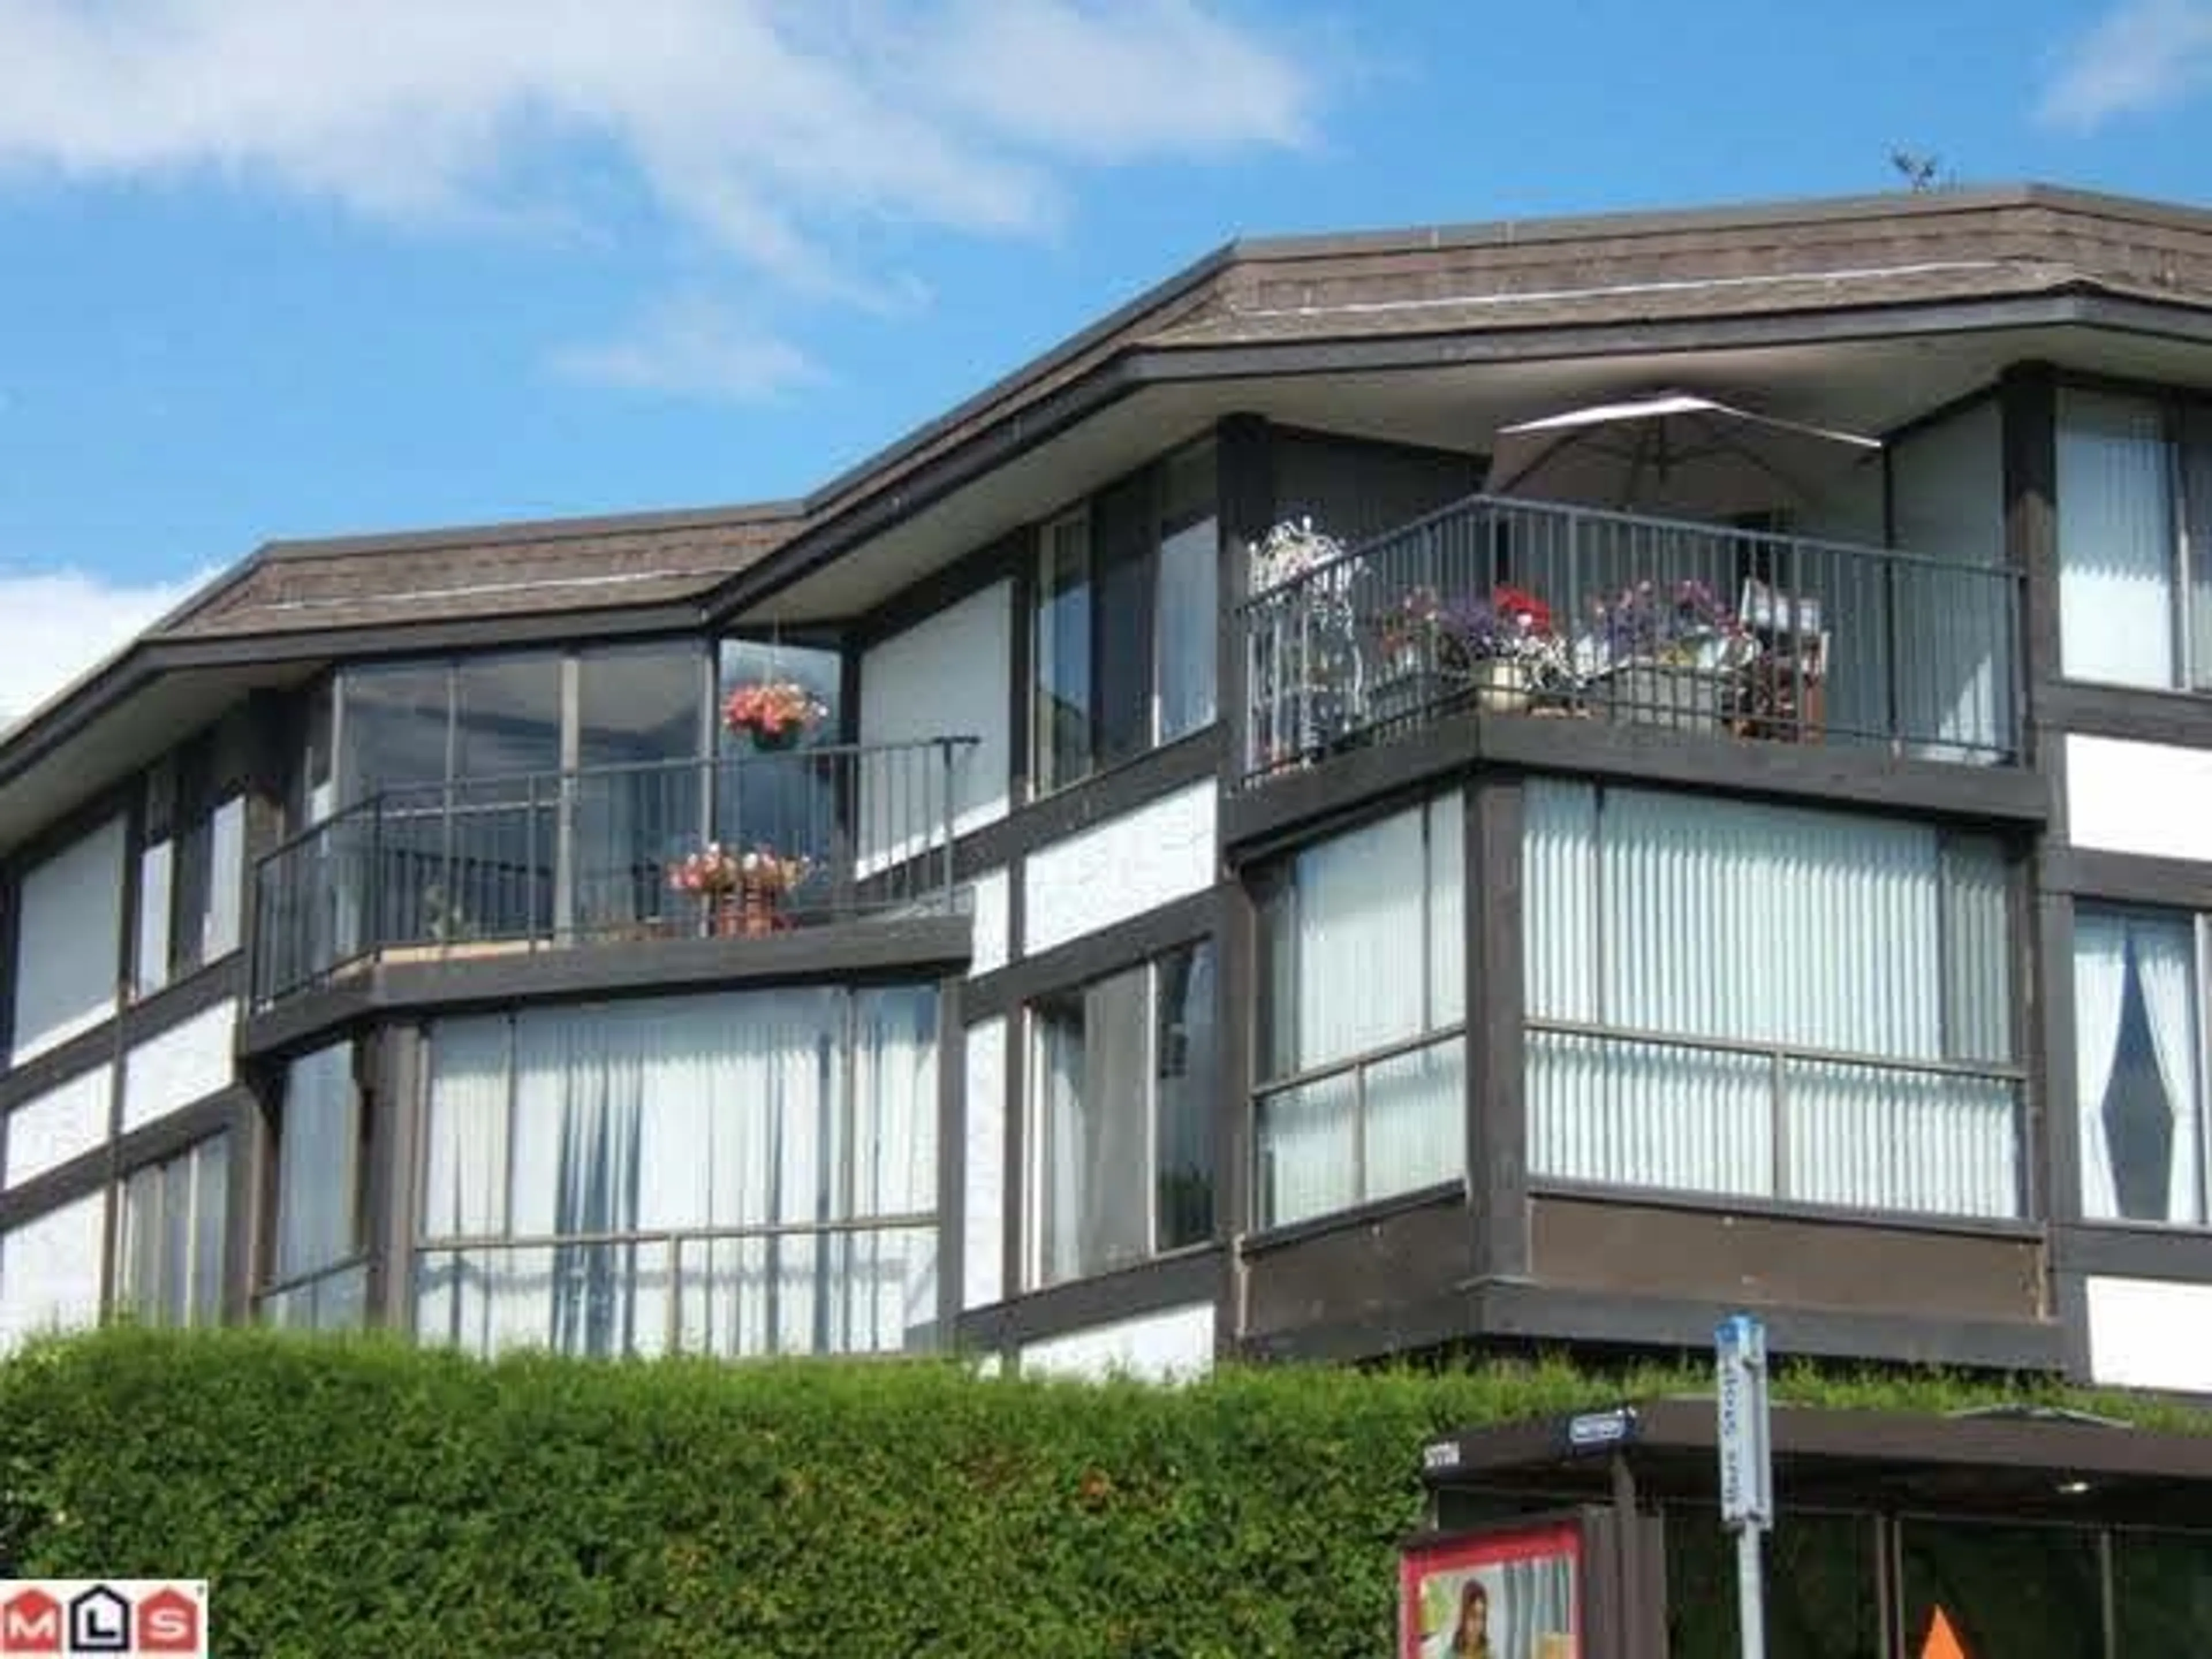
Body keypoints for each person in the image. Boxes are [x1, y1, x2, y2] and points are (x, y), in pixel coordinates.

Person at [1449, 1579, 1492, 1659]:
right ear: (1463, 1617)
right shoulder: (1450, 1655)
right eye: (1473, 1617)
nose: (1478, 1626)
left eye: (1482, 1617)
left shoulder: (1489, 1654)